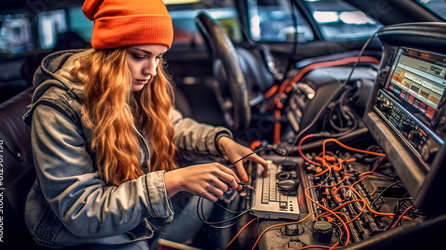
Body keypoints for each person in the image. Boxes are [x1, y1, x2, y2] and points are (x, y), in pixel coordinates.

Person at [22, 0, 268, 249]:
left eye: (159, 57)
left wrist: (221, 142)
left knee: (219, 175)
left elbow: (174, 127)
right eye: (140, 56)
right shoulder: (56, 109)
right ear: (110, 53)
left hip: (129, 214)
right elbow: (82, 211)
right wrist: (173, 181)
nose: (151, 70)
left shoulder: (135, 84)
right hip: (79, 237)